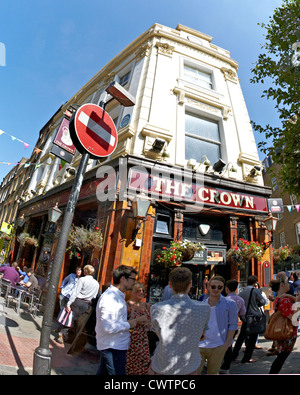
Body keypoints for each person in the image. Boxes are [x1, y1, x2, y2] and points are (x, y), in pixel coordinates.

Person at [149, 267, 210, 375]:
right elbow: (202, 335)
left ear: (170, 284)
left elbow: (158, 334)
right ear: (190, 284)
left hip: (163, 363)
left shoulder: (156, 308)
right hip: (189, 363)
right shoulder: (204, 308)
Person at [95, 265, 140, 375]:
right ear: (123, 279)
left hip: (114, 345)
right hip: (113, 347)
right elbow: (109, 327)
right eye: (133, 279)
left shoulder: (117, 296)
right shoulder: (110, 298)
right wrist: (130, 324)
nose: (135, 282)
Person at [197, 275, 238, 375]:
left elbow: (233, 325)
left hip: (218, 345)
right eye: (213, 287)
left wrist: (226, 345)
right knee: (195, 372)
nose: (216, 289)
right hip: (200, 345)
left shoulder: (230, 303)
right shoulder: (201, 304)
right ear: (208, 287)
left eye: (219, 287)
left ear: (223, 288)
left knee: (213, 372)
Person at [231, 275, 267, 363]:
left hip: (245, 317)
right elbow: (263, 301)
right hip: (254, 317)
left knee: (241, 338)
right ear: (255, 282)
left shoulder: (242, 292)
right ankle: (246, 358)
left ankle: (234, 355)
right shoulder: (255, 291)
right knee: (252, 339)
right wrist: (256, 304)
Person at [268, 277, 299, 374]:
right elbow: (293, 317)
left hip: (282, 329)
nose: (289, 284)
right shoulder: (285, 300)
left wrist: (293, 298)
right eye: (287, 282)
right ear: (282, 285)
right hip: (287, 330)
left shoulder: (278, 298)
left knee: (281, 355)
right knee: (282, 356)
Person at [220, 279, 246, 372]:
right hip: (234, 325)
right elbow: (243, 313)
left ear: (226, 289)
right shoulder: (240, 299)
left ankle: (224, 364)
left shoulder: (225, 300)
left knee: (223, 344)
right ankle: (226, 364)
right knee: (229, 344)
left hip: (223, 325)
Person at [126, 282, 151, 375]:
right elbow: (123, 323)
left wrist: (148, 323)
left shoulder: (147, 306)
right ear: (133, 292)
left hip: (143, 339)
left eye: (143, 291)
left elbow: (150, 324)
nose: (141, 293)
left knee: (144, 363)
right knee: (129, 365)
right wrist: (138, 320)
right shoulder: (128, 305)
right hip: (131, 339)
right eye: (138, 291)